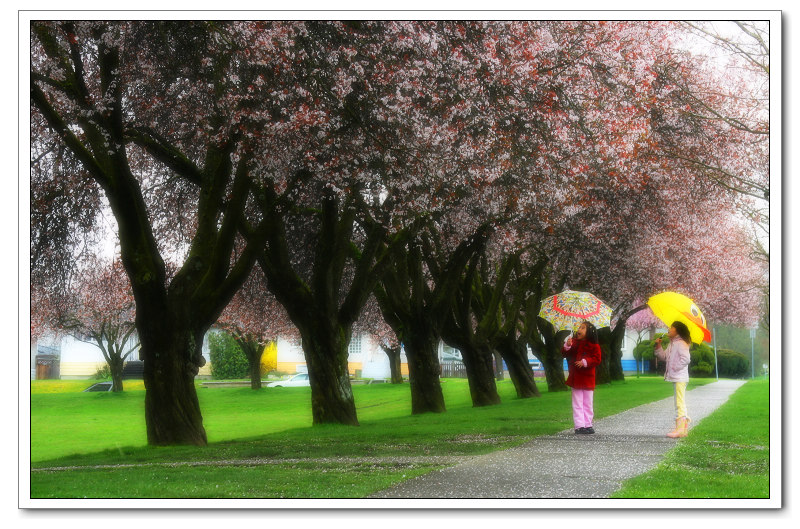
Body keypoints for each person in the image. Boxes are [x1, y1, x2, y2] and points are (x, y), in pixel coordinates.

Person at [561, 321, 602, 434]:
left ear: (589, 332)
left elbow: (597, 359)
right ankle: (579, 425)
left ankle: (588, 424)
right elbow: (564, 354)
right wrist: (567, 346)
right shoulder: (574, 343)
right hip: (576, 378)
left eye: (583, 328)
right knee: (577, 403)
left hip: (588, 378)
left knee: (588, 403)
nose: (579, 329)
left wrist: (585, 362)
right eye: (579, 327)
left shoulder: (594, 346)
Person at [654, 321, 692, 438]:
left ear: (677, 331)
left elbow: (686, 359)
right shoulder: (672, 344)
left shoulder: (681, 343)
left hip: (680, 377)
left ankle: (680, 430)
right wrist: (658, 346)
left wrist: (675, 367)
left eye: (672, 327)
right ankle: (682, 429)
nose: (669, 329)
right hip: (677, 376)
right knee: (679, 402)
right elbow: (664, 357)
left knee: (679, 403)